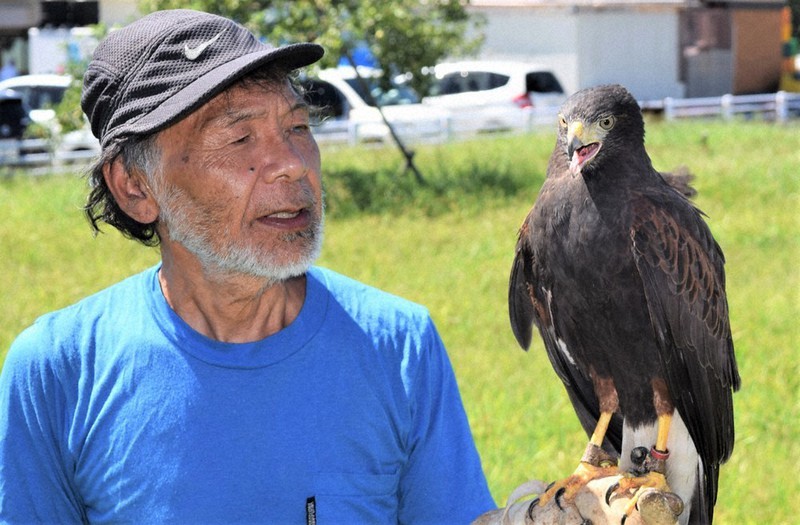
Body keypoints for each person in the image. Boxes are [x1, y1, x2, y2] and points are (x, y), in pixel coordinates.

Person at [0, 10, 495, 523]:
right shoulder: (58, 373)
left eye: (298, 126)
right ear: (135, 187)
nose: (293, 163)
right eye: (240, 139)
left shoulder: (397, 346)